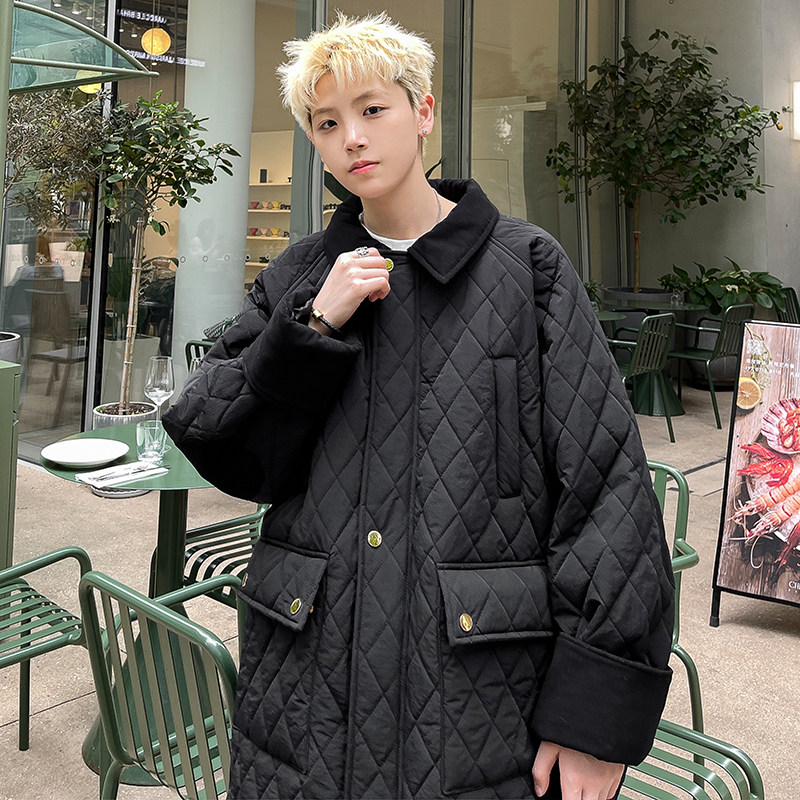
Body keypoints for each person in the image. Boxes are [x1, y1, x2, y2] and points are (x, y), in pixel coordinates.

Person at [163, 13, 674, 800]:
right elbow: (219, 440)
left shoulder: (526, 268)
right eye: (326, 123)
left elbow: (607, 490)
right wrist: (313, 327)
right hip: (309, 688)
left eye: (373, 109)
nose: (351, 138)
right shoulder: (303, 273)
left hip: (477, 693)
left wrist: (595, 718)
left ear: (424, 112)